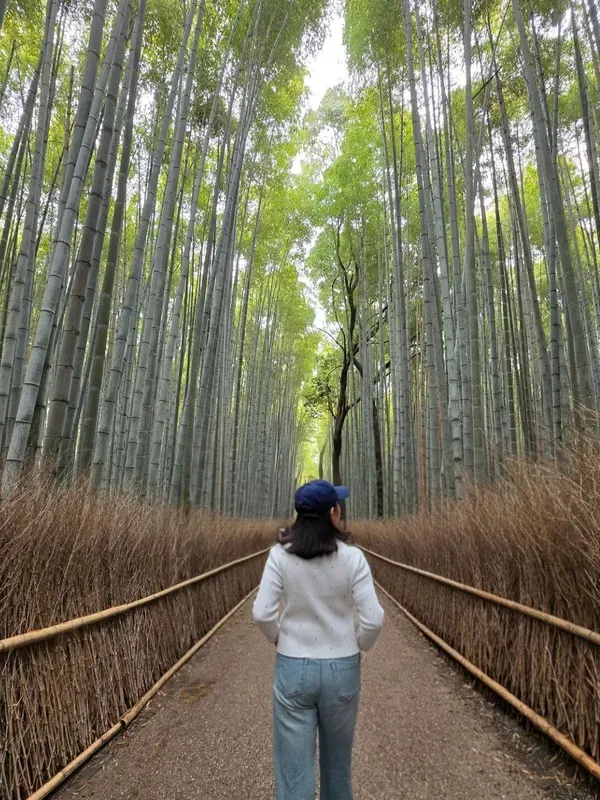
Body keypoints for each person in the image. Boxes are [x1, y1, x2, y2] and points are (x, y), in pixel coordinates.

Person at [252, 479, 384, 800]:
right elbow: (374, 618)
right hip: (342, 669)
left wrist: (281, 641)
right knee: (338, 768)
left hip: (293, 667)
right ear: (333, 513)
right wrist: (358, 646)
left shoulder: (280, 555)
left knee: (294, 773)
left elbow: (262, 613)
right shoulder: (352, 558)